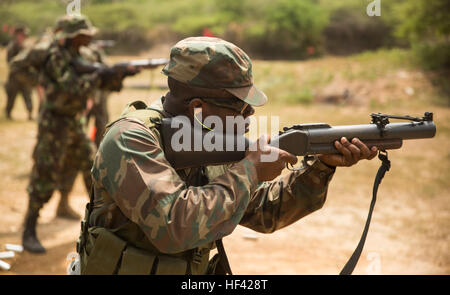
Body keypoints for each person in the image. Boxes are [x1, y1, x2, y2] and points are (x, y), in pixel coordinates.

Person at [75, 37, 378, 274]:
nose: (249, 114)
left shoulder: (211, 139)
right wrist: (250, 170)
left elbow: (267, 213)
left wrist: (321, 167)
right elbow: (174, 227)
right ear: (197, 108)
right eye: (239, 105)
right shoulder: (130, 138)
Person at [22, 14, 138, 253]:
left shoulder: (82, 56)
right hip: (54, 124)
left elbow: (101, 85)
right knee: (45, 174)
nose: (89, 38)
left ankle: (102, 229)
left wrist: (118, 75)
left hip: (74, 122)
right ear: (71, 36)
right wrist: (99, 75)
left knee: (92, 170)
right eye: (83, 35)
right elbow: (71, 87)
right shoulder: (55, 56)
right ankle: (29, 229)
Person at [4, 26, 33, 120]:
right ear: (18, 35)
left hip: (25, 76)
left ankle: (30, 113)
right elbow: (10, 62)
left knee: (28, 95)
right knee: (11, 96)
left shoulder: (25, 46)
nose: (24, 36)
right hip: (15, 77)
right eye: (22, 34)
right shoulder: (13, 46)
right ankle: (8, 113)